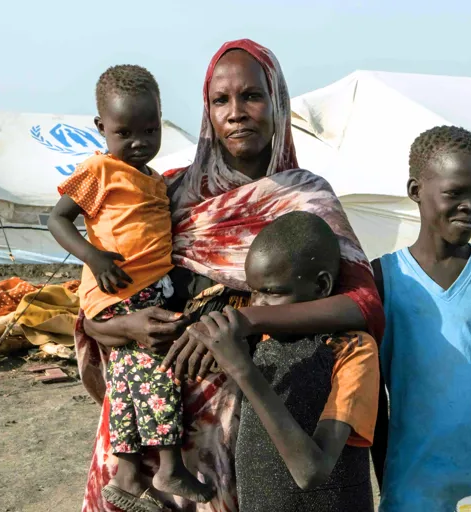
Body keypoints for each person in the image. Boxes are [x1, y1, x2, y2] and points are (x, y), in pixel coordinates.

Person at [74, 39, 384, 512]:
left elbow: (361, 305)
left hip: (243, 422)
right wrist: (121, 326)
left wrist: (248, 321)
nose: (236, 112)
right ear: (207, 112)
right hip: (149, 430)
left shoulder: (304, 201)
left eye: (252, 96)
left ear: (277, 101)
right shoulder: (163, 193)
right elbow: (99, 299)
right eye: (221, 100)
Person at [49, 64, 214, 509]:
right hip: (119, 288)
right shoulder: (99, 170)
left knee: (128, 377)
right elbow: (56, 218)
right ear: (102, 128)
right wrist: (93, 257)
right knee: (160, 368)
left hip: (145, 288)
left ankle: (124, 475)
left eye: (150, 128)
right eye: (126, 132)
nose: (140, 141)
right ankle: (169, 467)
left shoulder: (156, 179)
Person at [372, 125, 471, 512]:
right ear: (416, 190)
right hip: (412, 481)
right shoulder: (386, 278)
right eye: (455, 193)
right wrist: (384, 476)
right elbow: (375, 394)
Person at [188, 211, 379, 511]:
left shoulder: (352, 349)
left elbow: (311, 472)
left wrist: (242, 369)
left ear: (320, 287)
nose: (257, 306)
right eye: (253, 292)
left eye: (271, 293)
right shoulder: (265, 340)